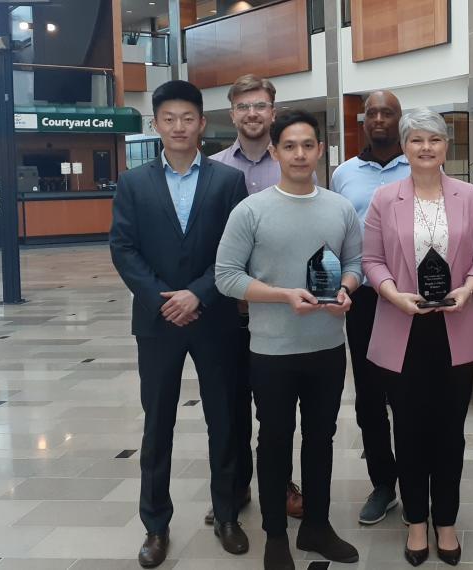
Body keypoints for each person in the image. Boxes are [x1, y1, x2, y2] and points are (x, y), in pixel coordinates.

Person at [109, 80, 249, 568]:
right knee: (158, 424)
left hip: (213, 319)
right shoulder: (133, 182)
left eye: (188, 118)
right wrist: (161, 298)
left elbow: (236, 251)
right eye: (169, 118)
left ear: (202, 124)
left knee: (225, 421)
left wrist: (199, 294)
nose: (179, 127)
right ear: (156, 125)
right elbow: (123, 248)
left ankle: (228, 514)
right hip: (158, 321)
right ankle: (155, 525)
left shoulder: (228, 181)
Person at [215, 109, 362, 570]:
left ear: (321, 150)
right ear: (275, 152)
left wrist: (346, 289)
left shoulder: (339, 208)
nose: (300, 154)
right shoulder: (251, 210)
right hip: (272, 350)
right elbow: (226, 277)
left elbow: (357, 264)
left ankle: (316, 525)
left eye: (308, 145)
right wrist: (281, 296)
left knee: (321, 437)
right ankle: (276, 533)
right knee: (275, 439)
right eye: (290, 146)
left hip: (327, 347)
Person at [362, 108, 473, 566]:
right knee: (410, 432)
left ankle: (447, 522)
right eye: (416, 140)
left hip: (453, 329)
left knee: (449, 434)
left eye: (435, 140)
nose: (426, 148)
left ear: (446, 147)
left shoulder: (469, 196)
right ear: (404, 146)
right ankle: (416, 522)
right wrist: (392, 293)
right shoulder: (385, 198)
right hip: (403, 330)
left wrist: (470, 288)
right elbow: (371, 260)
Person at [207, 74, 304, 526]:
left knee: (276, 408)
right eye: (243, 105)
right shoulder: (213, 168)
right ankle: (233, 486)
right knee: (228, 407)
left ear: (272, 110)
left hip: (279, 311)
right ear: (232, 113)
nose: (252, 113)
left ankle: (280, 483)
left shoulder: (292, 161)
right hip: (226, 312)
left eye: (260, 105)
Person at [331, 90, 411, 525]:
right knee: (368, 396)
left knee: (409, 394)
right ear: (363, 120)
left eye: (388, 112)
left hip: (410, 299)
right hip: (362, 299)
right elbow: (337, 234)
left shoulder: (418, 168)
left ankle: (417, 476)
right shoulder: (344, 174)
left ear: (400, 119)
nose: (379, 119)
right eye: (372, 113)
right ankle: (384, 483)